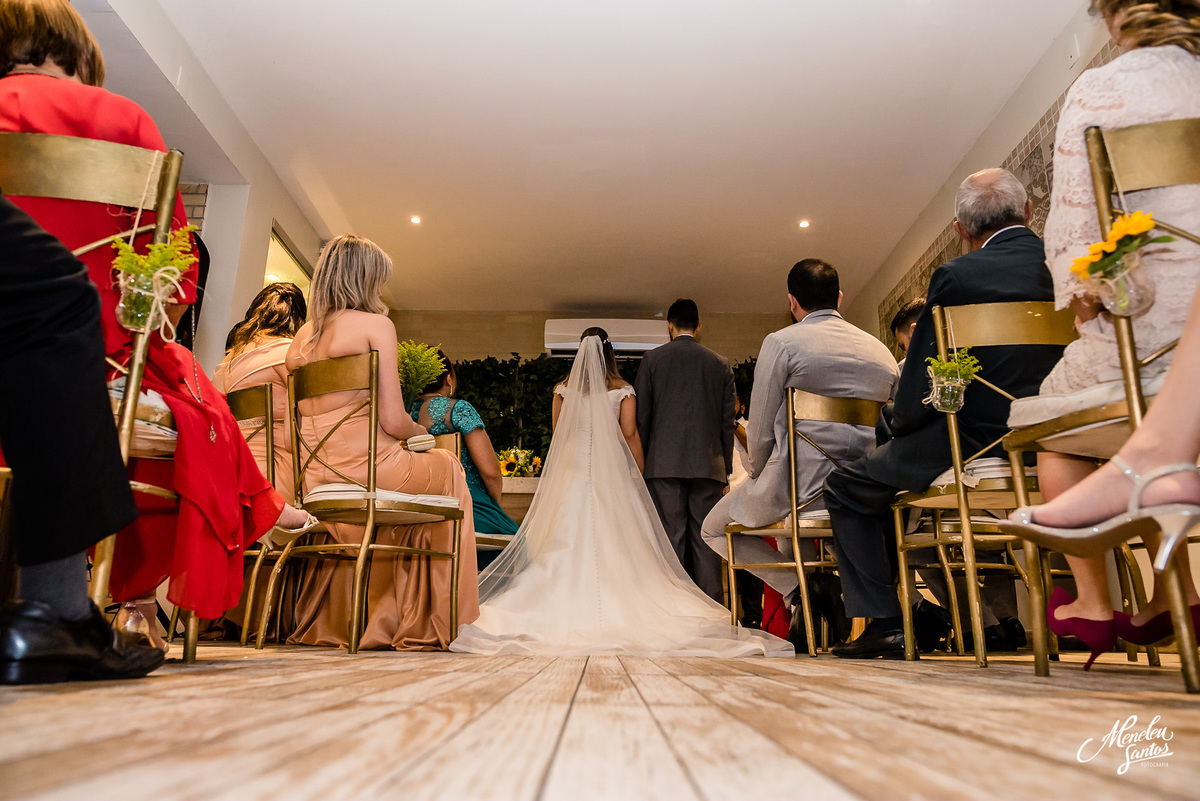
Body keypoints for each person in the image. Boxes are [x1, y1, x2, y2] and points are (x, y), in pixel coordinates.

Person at [0, 0, 313, 634]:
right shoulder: (118, 117)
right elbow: (171, 275)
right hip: (93, 354)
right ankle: (138, 586)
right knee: (186, 400)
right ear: (78, 51)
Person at [1002, 0, 1200, 668]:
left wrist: (1088, 302)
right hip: (1189, 339)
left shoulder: (1103, 88)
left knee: (1047, 421)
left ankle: (1090, 603)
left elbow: (1077, 235)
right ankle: (1174, 592)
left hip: (1148, 336)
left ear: (1118, 17)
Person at [823, 168, 1065, 659]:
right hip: (1061, 436)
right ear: (1029, 211)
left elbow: (925, 380)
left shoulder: (956, 277)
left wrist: (898, 423)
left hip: (976, 436)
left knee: (846, 487)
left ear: (960, 229)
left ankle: (888, 621)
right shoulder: (1067, 263)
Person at [449, 333, 792, 657]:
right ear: (610, 355)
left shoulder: (562, 391)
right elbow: (630, 435)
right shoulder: (623, 390)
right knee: (620, 542)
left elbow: (560, 436)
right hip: (609, 472)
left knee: (565, 537)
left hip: (572, 473)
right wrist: (638, 475)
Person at [285, 235, 479, 650]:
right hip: (370, 470)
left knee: (403, 494)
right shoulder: (376, 326)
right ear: (366, 279)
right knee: (449, 469)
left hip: (317, 481)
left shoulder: (300, 342)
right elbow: (393, 420)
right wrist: (423, 433)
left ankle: (362, 618)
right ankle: (436, 619)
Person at [0, 196, 164, 683]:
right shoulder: (134, 136)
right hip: (115, 362)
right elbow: (168, 294)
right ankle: (61, 608)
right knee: (59, 292)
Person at [700, 260, 899, 648]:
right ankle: (810, 602)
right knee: (795, 530)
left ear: (792, 302)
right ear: (839, 298)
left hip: (797, 489)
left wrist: (757, 471)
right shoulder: (882, 354)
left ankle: (802, 587)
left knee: (712, 528)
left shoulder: (783, 343)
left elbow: (757, 431)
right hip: (863, 493)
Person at [635, 299, 735, 602]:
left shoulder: (652, 360)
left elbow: (643, 417)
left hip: (663, 463)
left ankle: (673, 607)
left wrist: (642, 464)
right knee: (706, 540)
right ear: (699, 326)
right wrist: (726, 468)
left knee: (670, 537)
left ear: (669, 324)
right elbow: (726, 422)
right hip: (708, 465)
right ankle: (713, 613)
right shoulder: (720, 363)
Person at [410, 350, 519, 569]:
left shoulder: (402, 413)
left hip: (418, 512)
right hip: (468, 507)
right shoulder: (458, 409)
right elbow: (491, 472)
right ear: (448, 378)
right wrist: (494, 507)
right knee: (520, 547)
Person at [214, 282, 309, 502]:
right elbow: (299, 432)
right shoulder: (289, 354)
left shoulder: (227, 361)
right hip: (276, 477)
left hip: (226, 471)